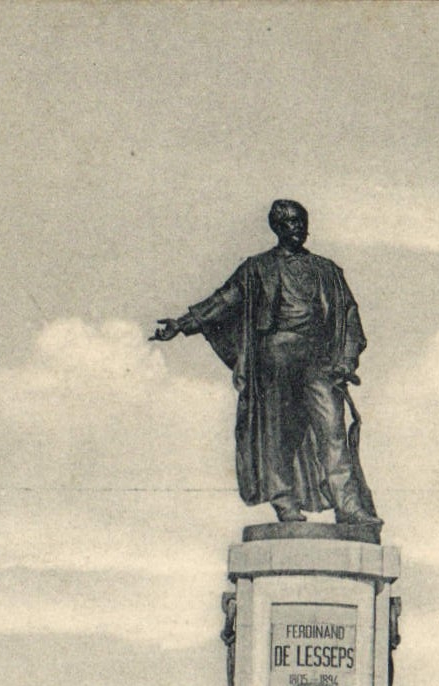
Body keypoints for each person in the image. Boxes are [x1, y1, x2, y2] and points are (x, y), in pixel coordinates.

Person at [152, 200, 379, 527]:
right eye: (289, 223)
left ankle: (348, 506)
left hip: (320, 361)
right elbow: (222, 300)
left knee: (332, 432)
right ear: (277, 227)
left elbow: (349, 318)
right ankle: (284, 501)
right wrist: (182, 324)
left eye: (301, 222)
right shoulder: (257, 268)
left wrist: (345, 360)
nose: (297, 228)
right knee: (278, 435)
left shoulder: (328, 271)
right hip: (276, 359)